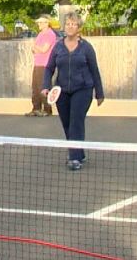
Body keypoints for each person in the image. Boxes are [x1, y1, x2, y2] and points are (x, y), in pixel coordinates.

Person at [43, 12, 104, 171]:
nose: (70, 27)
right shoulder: (58, 46)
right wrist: (45, 86)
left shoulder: (86, 48)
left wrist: (99, 93)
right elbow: (49, 68)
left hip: (83, 89)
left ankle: (74, 158)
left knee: (76, 120)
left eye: (73, 24)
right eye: (68, 24)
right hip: (62, 91)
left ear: (79, 28)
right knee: (67, 123)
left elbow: (94, 70)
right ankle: (79, 152)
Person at [27, 14, 57, 116]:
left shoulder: (50, 34)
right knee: (35, 87)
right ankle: (36, 108)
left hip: (45, 64)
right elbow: (34, 49)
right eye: (38, 22)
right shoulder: (40, 34)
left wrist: (35, 47)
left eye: (40, 22)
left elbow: (44, 49)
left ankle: (47, 109)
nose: (39, 24)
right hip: (37, 63)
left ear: (46, 23)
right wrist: (35, 48)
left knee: (43, 87)